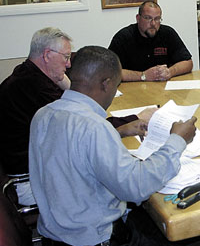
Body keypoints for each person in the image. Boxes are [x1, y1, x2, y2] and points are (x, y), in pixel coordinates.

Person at [29, 45, 200, 246]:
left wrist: (120, 131)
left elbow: (74, 150)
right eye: (115, 87)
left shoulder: (44, 114)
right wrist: (177, 141)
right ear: (105, 84)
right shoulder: (93, 128)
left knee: (154, 227)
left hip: (56, 242)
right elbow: (136, 188)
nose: (114, 94)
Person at [0, 27, 154, 207]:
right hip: (29, 181)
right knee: (119, 182)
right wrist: (133, 118)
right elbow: (85, 127)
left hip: (31, 168)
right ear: (47, 55)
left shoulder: (27, 75)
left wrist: (64, 81)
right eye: (65, 57)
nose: (68, 65)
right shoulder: (34, 88)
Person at [109, 1, 193, 82]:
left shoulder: (168, 33)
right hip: (132, 89)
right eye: (148, 18)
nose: (153, 23)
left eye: (157, 19)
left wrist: (170, 72)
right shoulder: (123, 37)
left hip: (161, 89)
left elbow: (188, 63)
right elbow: (110, 71)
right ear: (138, 18)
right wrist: (143, 75)